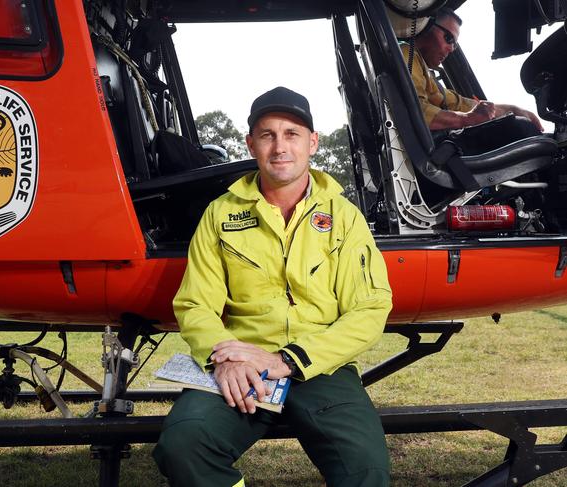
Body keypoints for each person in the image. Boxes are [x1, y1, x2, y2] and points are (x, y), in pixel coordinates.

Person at [153, 86, 393, 487]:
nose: (280, 146)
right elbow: (195, 304)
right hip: (241, 366)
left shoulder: (344, 217)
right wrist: (225, 360)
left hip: (319, 366)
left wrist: (288, 360)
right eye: (267, 135)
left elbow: (370, 308)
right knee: (184, 445)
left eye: (292, 134)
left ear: (312, 142)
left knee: (365, 470)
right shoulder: (221, 213)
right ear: (251, 144)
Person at [401, 8, 545, 154]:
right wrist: (467, 119)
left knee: (524, 128)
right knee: (520, 129)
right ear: (426, 26)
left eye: (454, 44)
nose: (451, 49)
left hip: (434, 147)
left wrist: (512, 109)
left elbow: (461, 104)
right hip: (429, 151)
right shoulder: (406, 54)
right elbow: (415, 110)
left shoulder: (428, 77)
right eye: (449, 39)